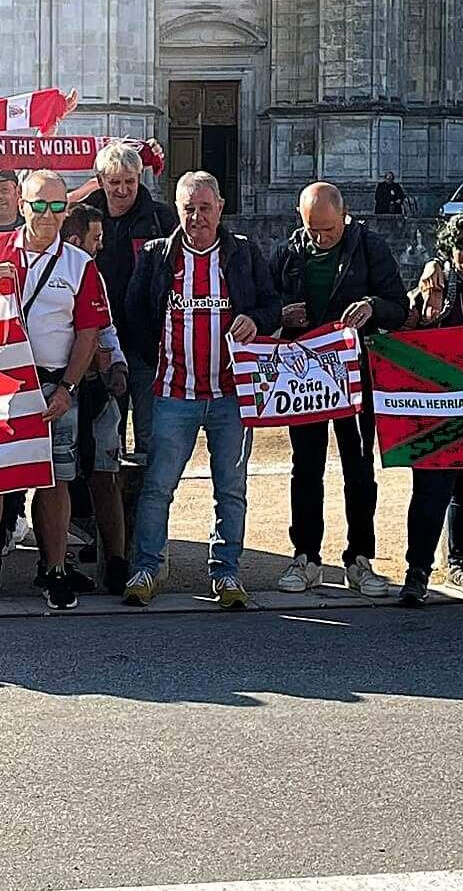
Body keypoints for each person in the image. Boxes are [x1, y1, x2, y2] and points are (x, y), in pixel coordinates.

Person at [0, 171, 109, 613]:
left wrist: (68, 388)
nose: (48, 215)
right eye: (39, 205)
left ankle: (54, 571)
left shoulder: (80, 264)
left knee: (55, 481)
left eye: (57, 206)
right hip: (0, 384)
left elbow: (88, 332)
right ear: (22, 205)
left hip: (54, 385)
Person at [123, 170, 281, 610]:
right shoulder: (157, 256)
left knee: (230, 489)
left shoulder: (244, 254)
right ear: (177, 210)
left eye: (205, 208)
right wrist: (155, 361)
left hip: (231, 395)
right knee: (158, 487)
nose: (197, 218)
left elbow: (272, 306)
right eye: (189, 209)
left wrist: (256, 320)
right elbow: (135, 315)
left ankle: (226, 572)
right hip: (173, 394)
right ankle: (147, 568)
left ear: (220, 208)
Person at [270, 182, 408, 598]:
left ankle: (359, 559)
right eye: (313, 229)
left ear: (344, 216)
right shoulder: (288, 252)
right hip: (305, 379)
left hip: (355, 375)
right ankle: (306, 557)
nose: (320, 238)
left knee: (359, 468)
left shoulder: (370, 247)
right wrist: (281, 315)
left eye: (328, 230)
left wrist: (372, 307)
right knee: (305, 468)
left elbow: (399, 308)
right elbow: (263, 305)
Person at [395, 212, 463, 607]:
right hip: (438, 409)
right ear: (449, 249)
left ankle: (461, 563)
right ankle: (417, 571)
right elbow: (404, 335)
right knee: (430, 491)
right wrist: (424, 304)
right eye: (461, 243)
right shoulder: (432, 289)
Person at [81, 140, 177, 470]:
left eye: (129, 181)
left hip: (148, 344)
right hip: (100, 343)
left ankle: (150, 501)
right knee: (105, 437)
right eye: (114, 182)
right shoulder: (82, 219)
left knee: (151, 435)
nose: (122, 190)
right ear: (100, 180)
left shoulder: (162, 219)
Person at [61, 203, 131, 594]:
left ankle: (116, 561)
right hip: (60, 389)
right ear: (76, 239)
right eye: (96, 238)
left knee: (106, 474)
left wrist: (117, 365)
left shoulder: (92, 274)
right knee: (57, 480)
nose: (101, 245)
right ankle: (56, 562)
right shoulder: (49, 270)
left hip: (96, 389)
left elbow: (106, 327)